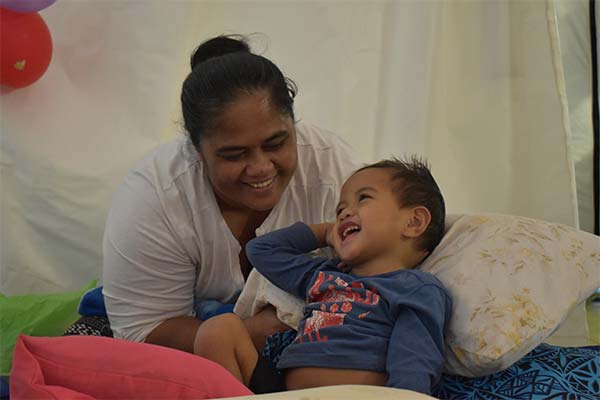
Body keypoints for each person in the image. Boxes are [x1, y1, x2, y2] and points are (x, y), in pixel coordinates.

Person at [101, 34, 363, 355]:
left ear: (294, 124)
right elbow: (142, 330)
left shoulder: (336, 170)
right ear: (197, 150)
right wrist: (249, 333)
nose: (260, 168)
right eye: (235, 154)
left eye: (275, 143)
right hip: (195, 349)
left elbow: (389, 261)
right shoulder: (153, 198)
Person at [193, 157, 452, 395]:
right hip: (283, 392)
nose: (345, 213)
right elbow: (261, 250)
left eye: (363, 198)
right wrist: (327, 232)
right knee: (217, 330)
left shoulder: (415, 288)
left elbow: (413, 363)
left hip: (356, 396)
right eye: (340, 210)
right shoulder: (323, 275)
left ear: (414, 222)